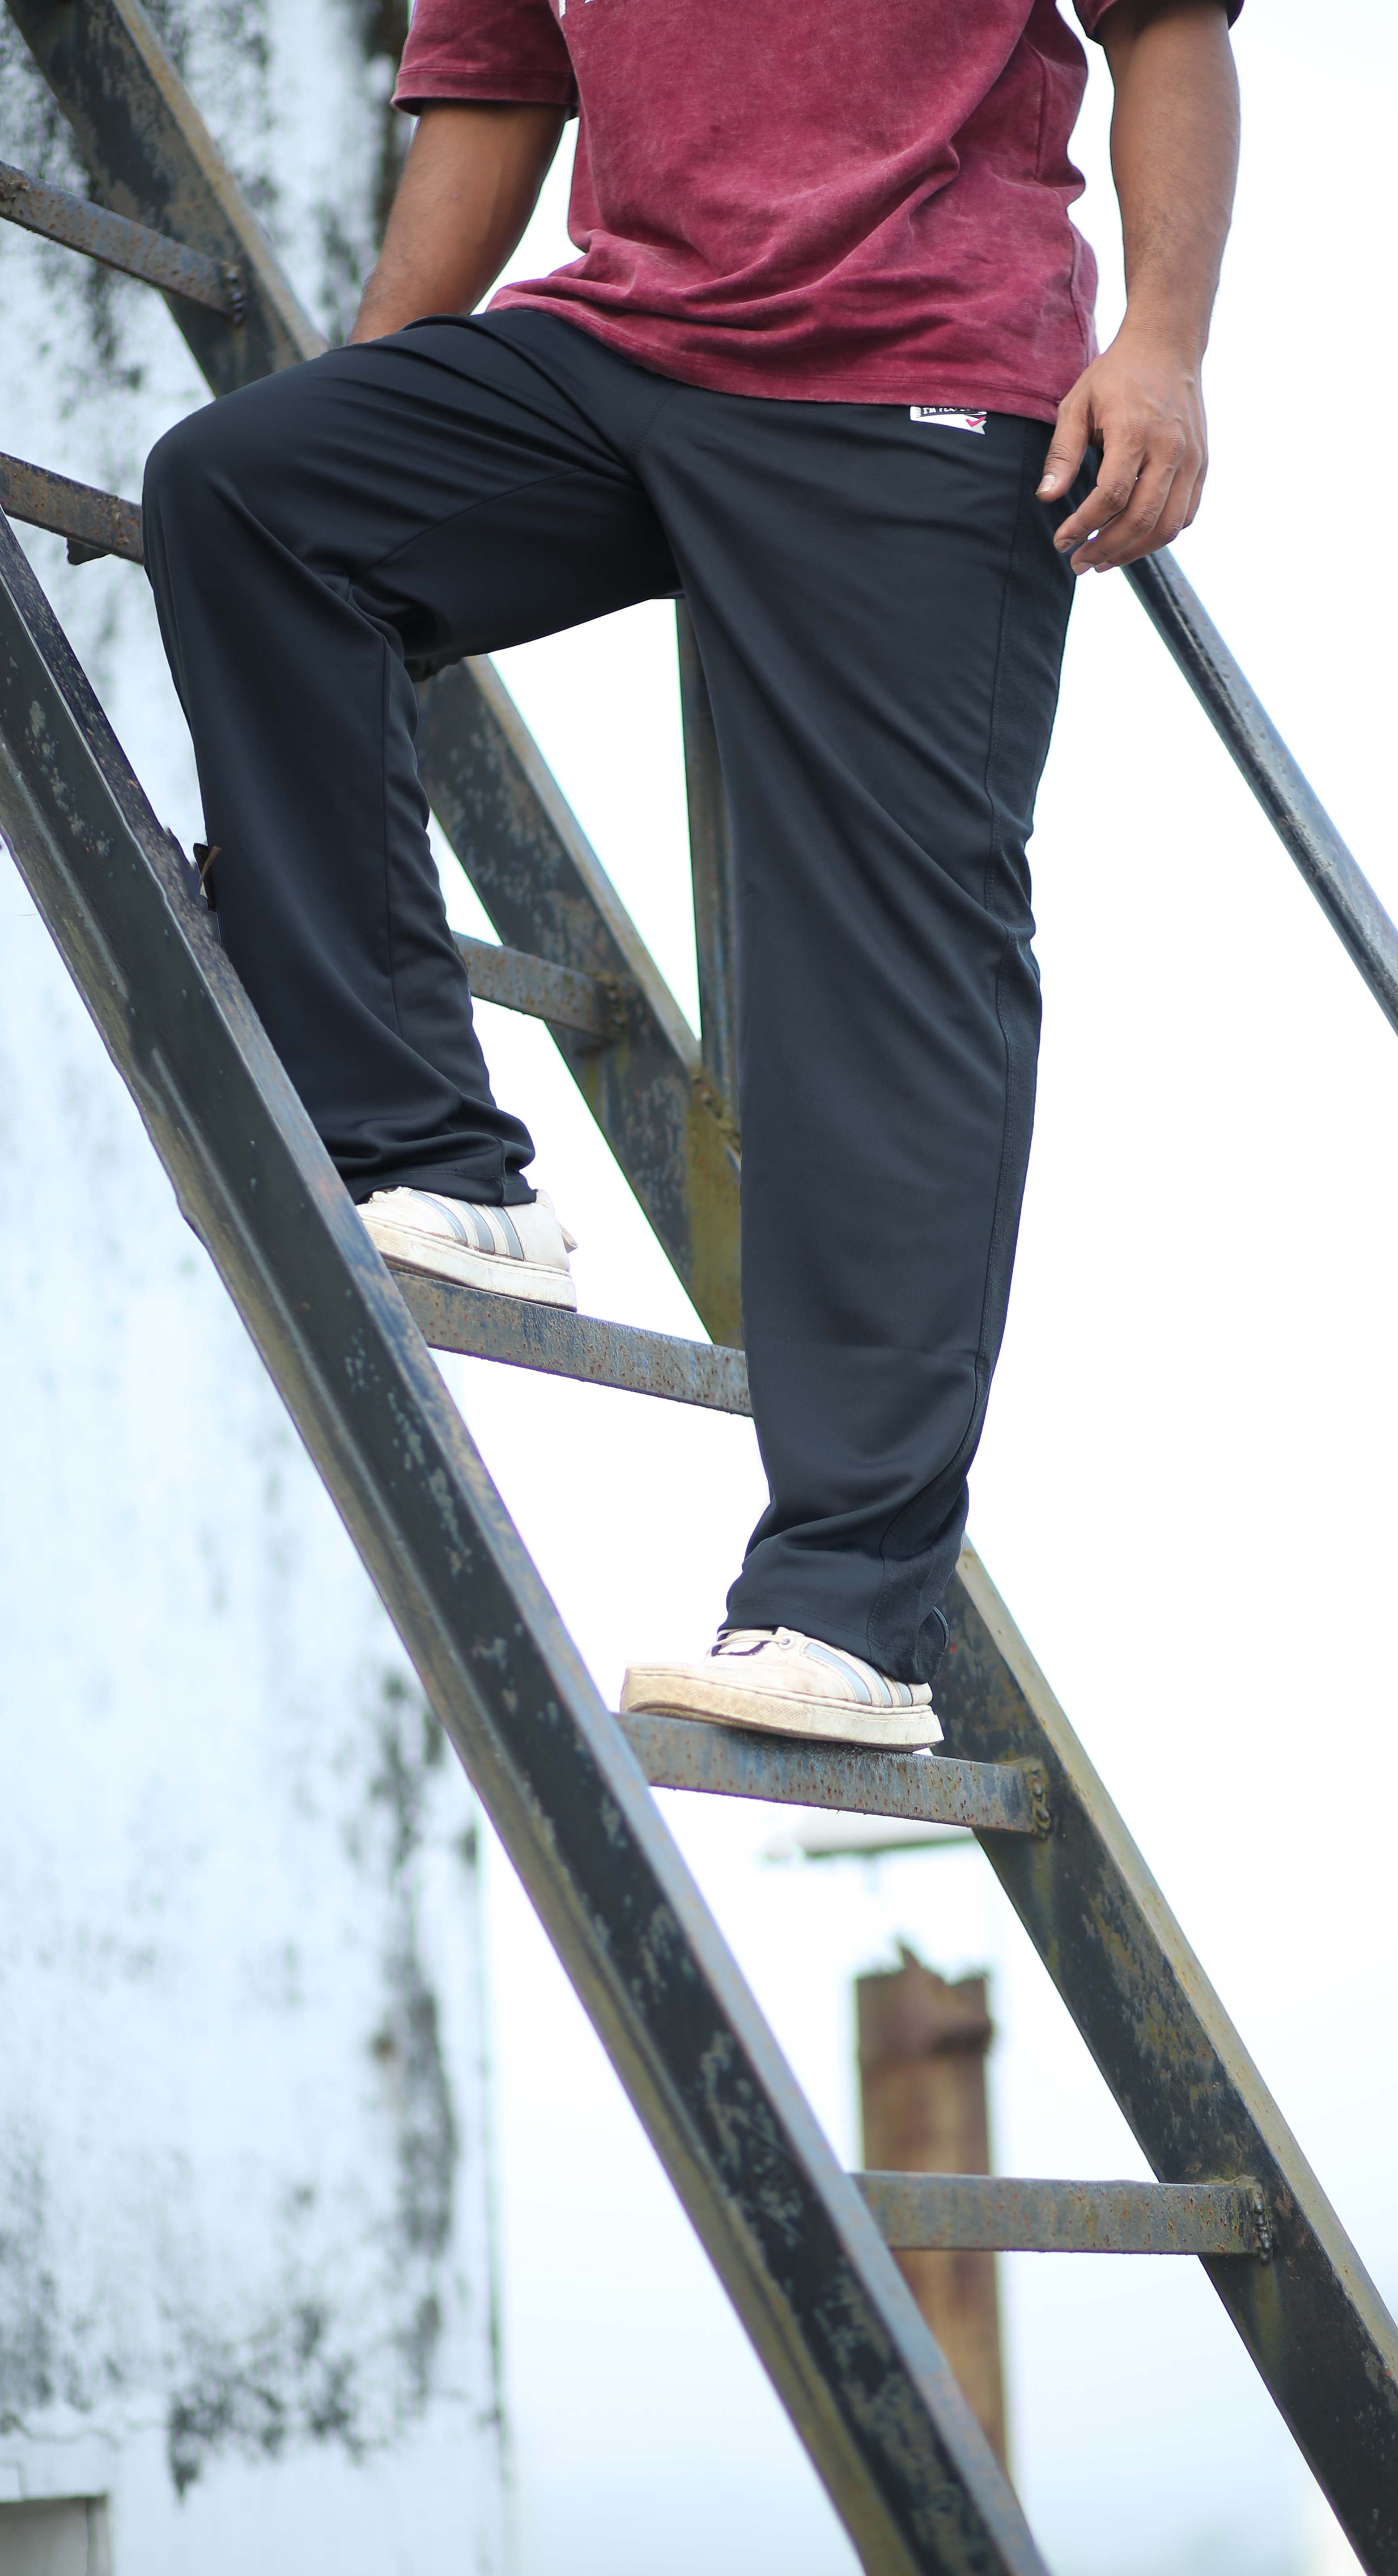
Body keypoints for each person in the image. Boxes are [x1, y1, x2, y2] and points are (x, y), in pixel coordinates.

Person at [142, 0, 1241, 1752]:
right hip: (616, 350)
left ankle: (850, 1620)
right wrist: (383, 411)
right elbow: (498, 84)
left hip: (915, 374)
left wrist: (1163, 346)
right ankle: (436, 1164)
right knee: (254, 489)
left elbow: (1168, 28)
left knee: (873, 976)